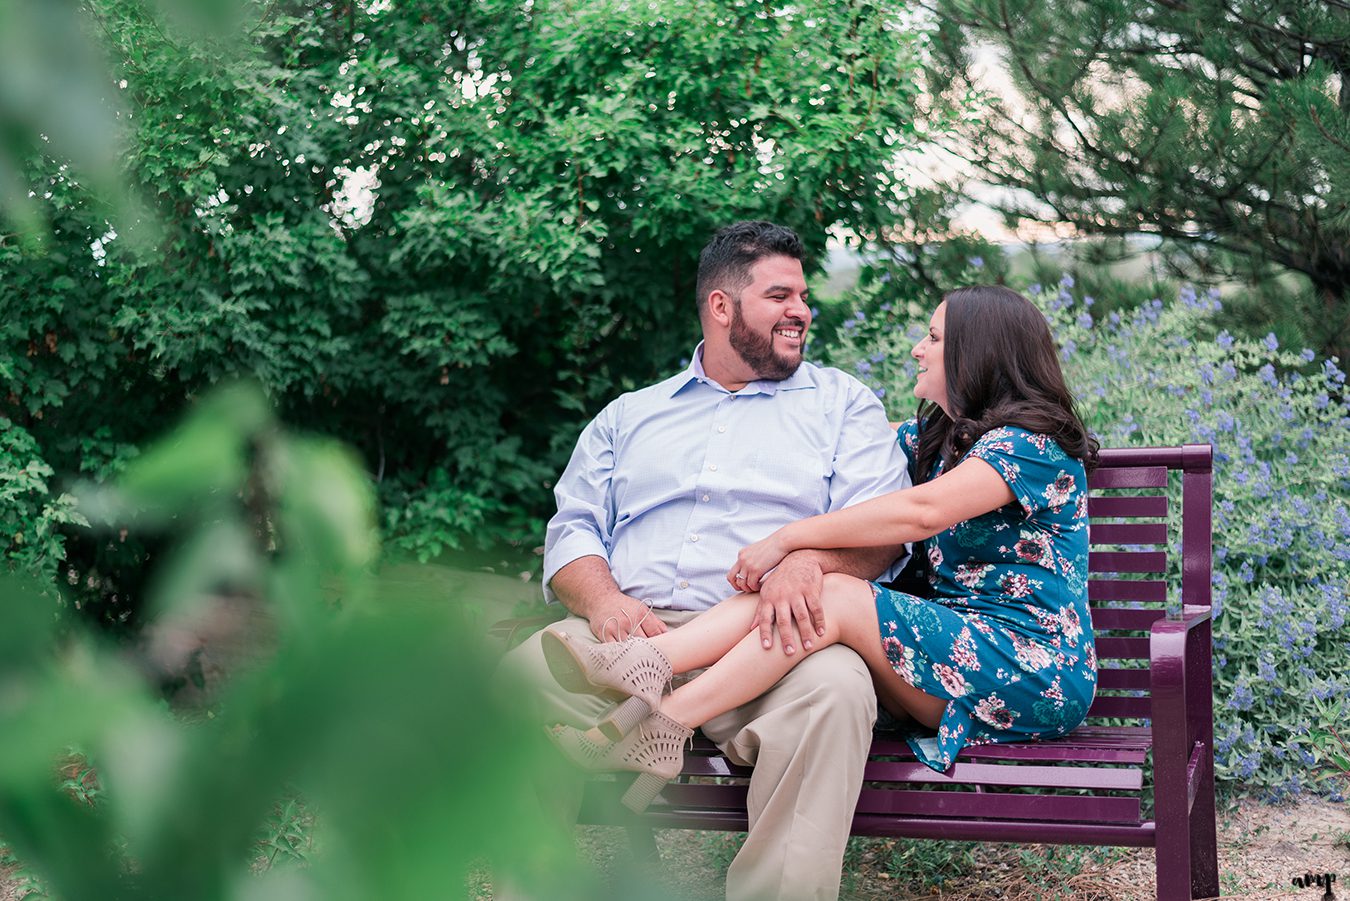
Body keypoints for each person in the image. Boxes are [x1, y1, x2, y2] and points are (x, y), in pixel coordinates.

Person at [543, 284, 1100, 821]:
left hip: (1033, 668)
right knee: (790, 584)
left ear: (976, 353)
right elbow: (821, 431)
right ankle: (644, 693)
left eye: (933, 337)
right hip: (943, 659)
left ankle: (660, 697)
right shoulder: (942, 440)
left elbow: (921, 514)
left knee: (822, 586)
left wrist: (789, 538)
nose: (917, 348)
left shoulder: (1031, 447)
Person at [501, 220, 911, 901]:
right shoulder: (629, 416)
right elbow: (571, 530)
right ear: (721, 306)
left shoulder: (842, 406)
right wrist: (603, 600)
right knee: (515, 681)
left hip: (777, 642)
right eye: (780, 295)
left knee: (836, 690)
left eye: (803, 296)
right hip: (625, 641)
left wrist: (810, 559)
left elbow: (882, 532)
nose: (802, 311)